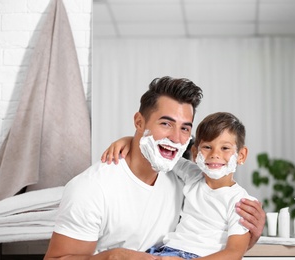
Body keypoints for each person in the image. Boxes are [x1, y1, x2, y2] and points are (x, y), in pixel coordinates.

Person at [45, 76, 265, 259]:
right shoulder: (92, 188)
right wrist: (113, 256)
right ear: (139, 122)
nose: (177, 138)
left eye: (185, 128)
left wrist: (249, 235)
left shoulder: (181, 177)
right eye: (166, 124)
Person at [149, 111, 255, 259]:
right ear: (195, 153)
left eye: (225, 148)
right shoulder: (192, 174)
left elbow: (234, 253)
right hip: (167, 250)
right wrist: (127, 141)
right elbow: (163, 154)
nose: (214, 154)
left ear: (241, 155)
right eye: (207, 147)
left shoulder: (241, 201)